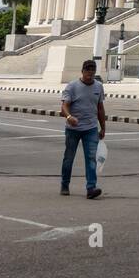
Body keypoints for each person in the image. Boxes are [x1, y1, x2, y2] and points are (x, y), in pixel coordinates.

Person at [60, 59, 106, 199]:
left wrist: (103, 127)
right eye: (87, 70)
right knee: (69, 158)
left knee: (91, 158)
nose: (90, 73)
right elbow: (64, 106)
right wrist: (69, 118)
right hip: (73, 128)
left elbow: (100, 108)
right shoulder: (72, 86)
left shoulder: (98, 87)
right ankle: (65, 184)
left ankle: (91, 188)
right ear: (82, 71)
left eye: (92, 71)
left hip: (91, 128)